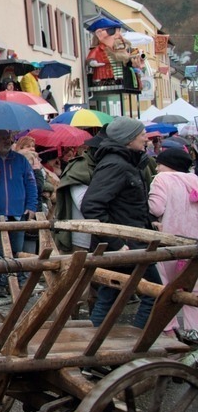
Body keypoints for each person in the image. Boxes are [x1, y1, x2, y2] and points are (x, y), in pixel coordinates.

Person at [81, 117, 161, 328]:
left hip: (134, 243)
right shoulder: (115, 165)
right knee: (153, 293)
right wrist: (117, 243)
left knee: (111, 298)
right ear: (128, 139)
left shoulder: (127, 163)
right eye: (141, 134)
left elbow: (128, 205)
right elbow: (92, 206)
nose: (146, 137)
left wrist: (150, 222)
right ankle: (134, 346)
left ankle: (97, 353)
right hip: (126, 247)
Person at [0, 130, 37, 296]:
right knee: (0, 252)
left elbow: (31, 184)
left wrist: (31, 206)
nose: (6, 141)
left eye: (8, 138)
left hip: (18, 213)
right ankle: (2, 284)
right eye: (2, 138)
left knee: (17, 250)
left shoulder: (20, 160)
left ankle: (18, 282)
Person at [148, 148, 198, 341]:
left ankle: (170, 331)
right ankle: (194, 332)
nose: (157, 167)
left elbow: (156, 207)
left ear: (167, 164)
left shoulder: (162, 180)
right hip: (193, 241)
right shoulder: (195, 179)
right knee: (192, 287)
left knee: (167, 286)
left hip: (170, 240)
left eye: (159, 164)